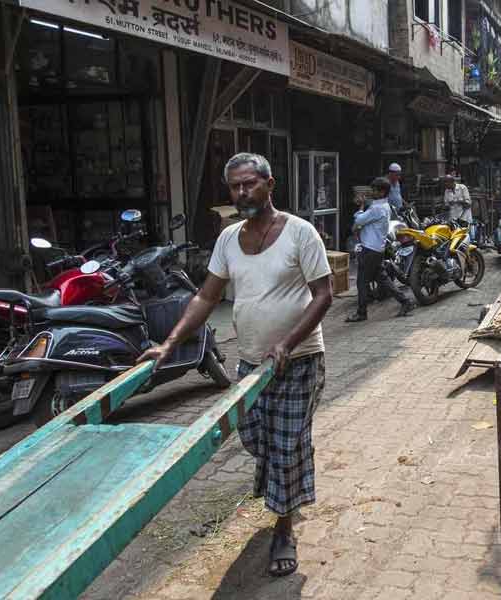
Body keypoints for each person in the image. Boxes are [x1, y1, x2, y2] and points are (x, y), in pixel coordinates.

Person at [137, 152, 332, 578]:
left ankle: (283, 528)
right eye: (235, 186)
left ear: (269, 183)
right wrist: (169, 344)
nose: (242, 192)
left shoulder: (301, 234)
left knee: (283, 446)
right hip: (250, 365)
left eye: (249, 184)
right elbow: (207, 296)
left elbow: (323, 295)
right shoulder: (228, 239)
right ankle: (293, 471)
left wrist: (286, 342)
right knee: (255, 437)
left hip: (297, 361)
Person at [346, 177, 415, 322]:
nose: (372, 192)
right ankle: (405, 301)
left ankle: (361, 312)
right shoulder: (383, 206)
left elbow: (358, 220)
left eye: (375, 190)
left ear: (382, 191)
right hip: (377, 249)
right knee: (383, 279)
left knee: (362, 282)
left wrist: (360, 208)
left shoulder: (377, 208)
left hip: (370, 249)